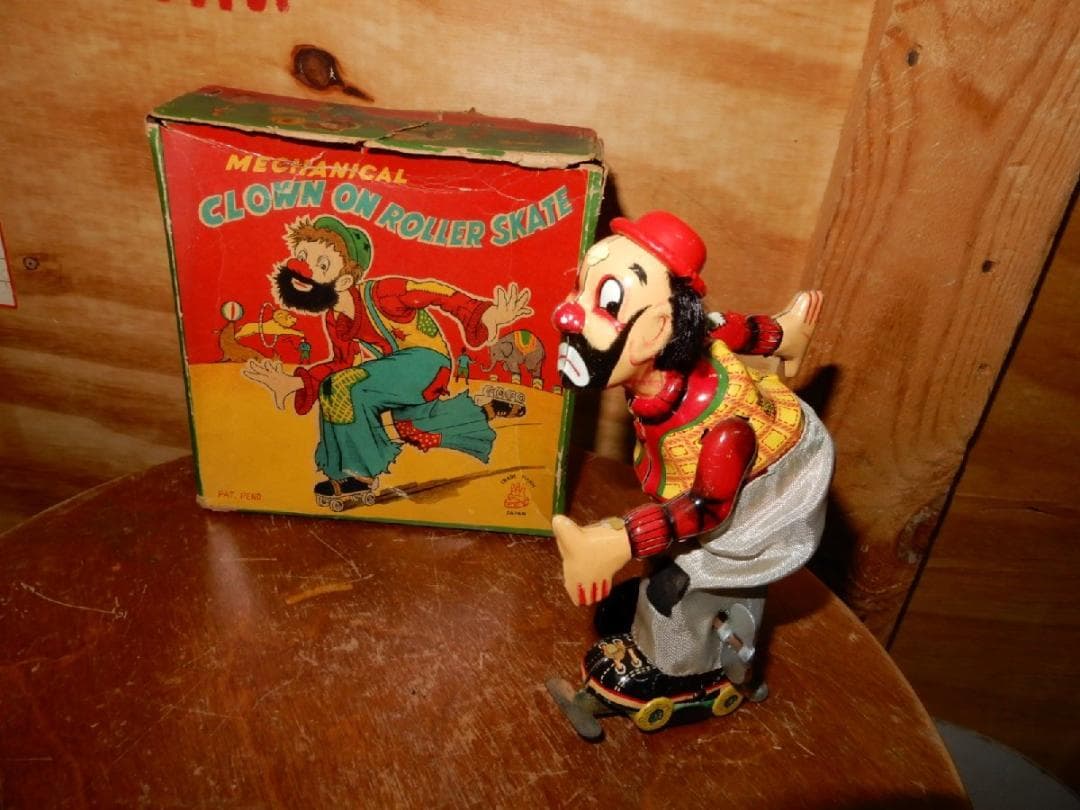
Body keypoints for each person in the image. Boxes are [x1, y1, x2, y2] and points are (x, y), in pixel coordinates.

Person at [548, 211, 834, 735]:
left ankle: (678, 668)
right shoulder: (684, 340)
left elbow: (708, 507)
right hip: (707, 486)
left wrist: (621, 540)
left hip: (765, 503)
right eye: (581, 289)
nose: (568, 315)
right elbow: (736, 328)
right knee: (662, 563)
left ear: (658, 328)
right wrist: (785, 333)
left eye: (607, 302)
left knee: (673, 586)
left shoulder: (722, 430)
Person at [244, 215, 531, 502]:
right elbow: (341, 363)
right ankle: (490, 408)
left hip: (427, 362)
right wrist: (295, 383)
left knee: (342, 385)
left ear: (344, 280)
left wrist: (483, 314)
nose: (303, 268)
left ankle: (360, 475)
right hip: (397, 373)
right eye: (302, 256)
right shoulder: (336, 319)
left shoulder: (383, 293)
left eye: (321, 264)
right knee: (415, 430)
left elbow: (434, 291)